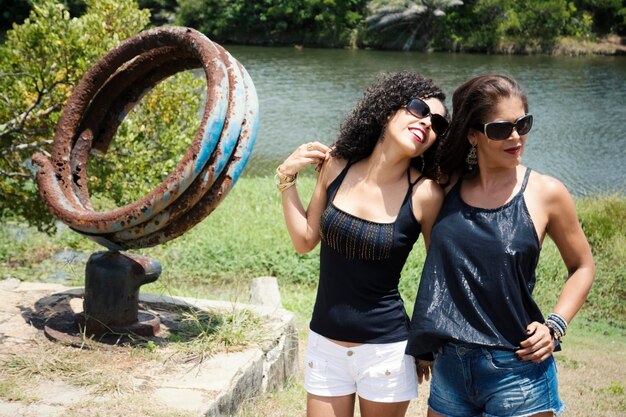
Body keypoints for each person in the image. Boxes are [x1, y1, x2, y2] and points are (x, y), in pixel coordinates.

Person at [406, 74, 595, 417]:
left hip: (518, 368)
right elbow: (392, 156)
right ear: (472, 135)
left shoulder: (547, 193)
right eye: (500, 129)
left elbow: (582, 266)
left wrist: (555, 325)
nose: (515, 136)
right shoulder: (444, 187)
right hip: (450, 366)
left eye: (523, 124)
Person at [275, 71, 449, 417]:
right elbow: (305, 240)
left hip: (386, 352)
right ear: (387, 112)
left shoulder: (425, 194)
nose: (427, 123)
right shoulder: (337, 166)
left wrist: (425, 345)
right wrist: (286, 179)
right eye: (418, 109)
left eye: (438, 124)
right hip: (325, 344)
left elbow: (438, 274)